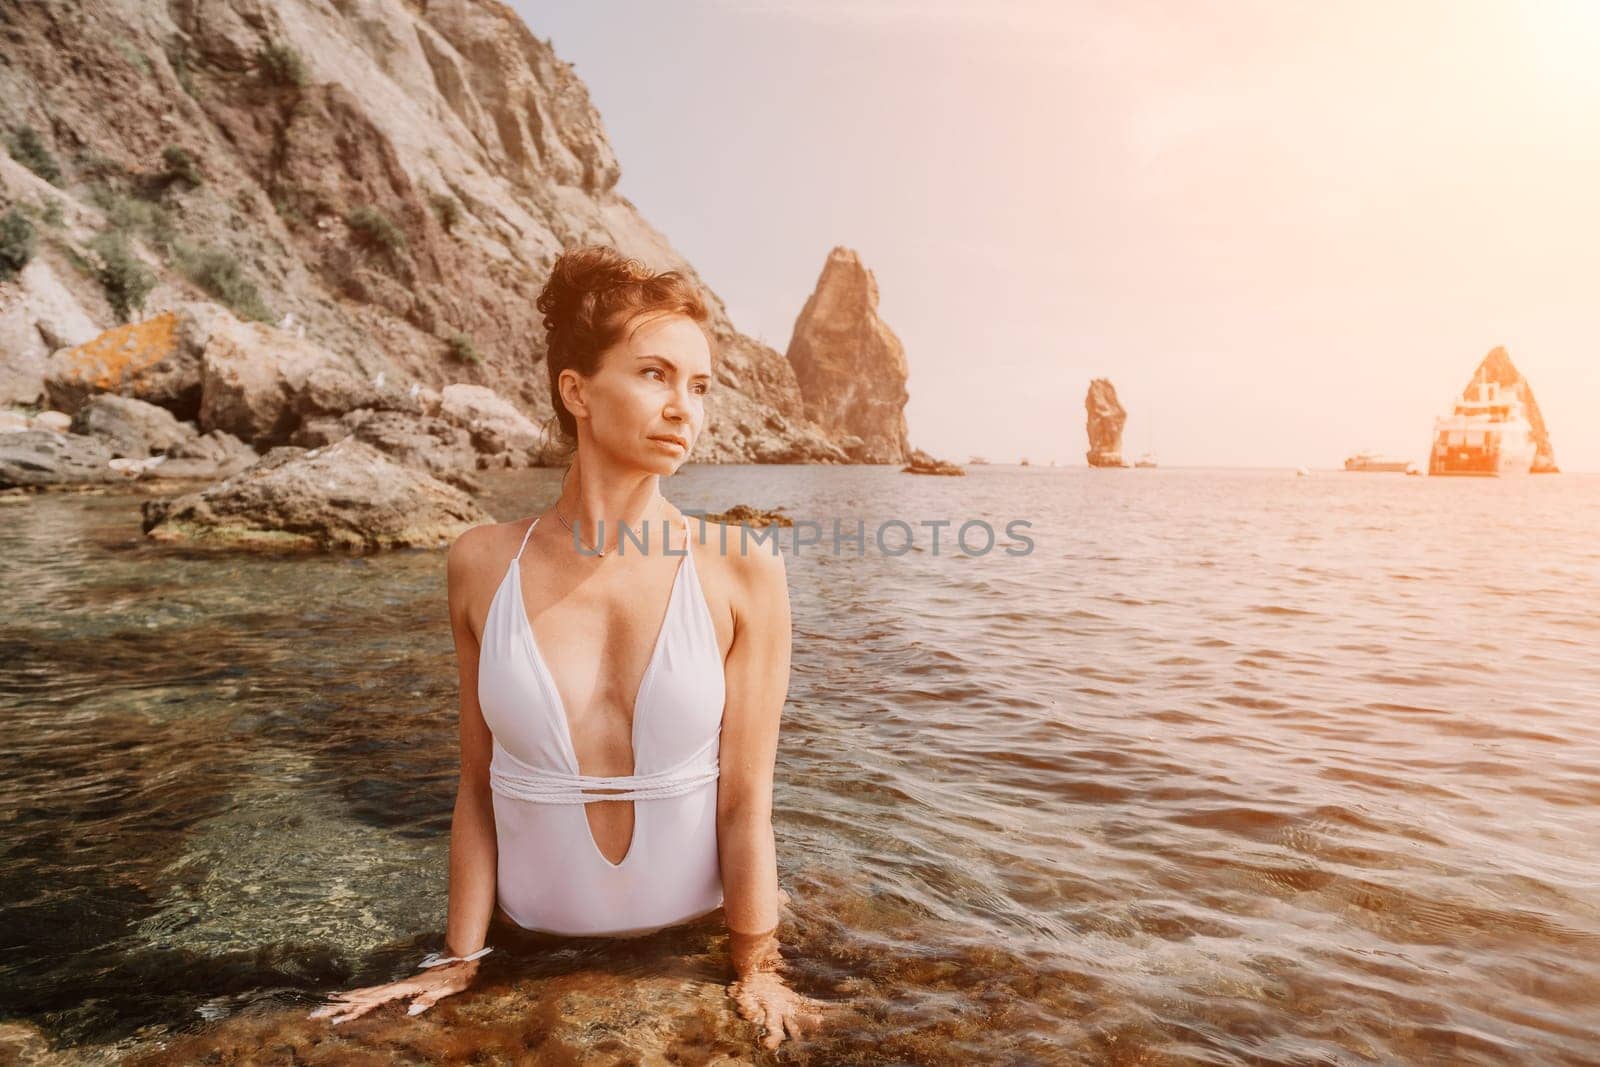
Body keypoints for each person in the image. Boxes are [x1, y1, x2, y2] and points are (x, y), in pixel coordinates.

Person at [308, 246, 824, 1049]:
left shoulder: (744, 569)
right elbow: (476, 791)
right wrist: (458, 958)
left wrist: (757, 967)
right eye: (655, 374)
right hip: (524, 951)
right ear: (576, 390)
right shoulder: (481, 563)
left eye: (700, 385)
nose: (684, 407)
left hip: (684, 948)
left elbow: (744, 801)